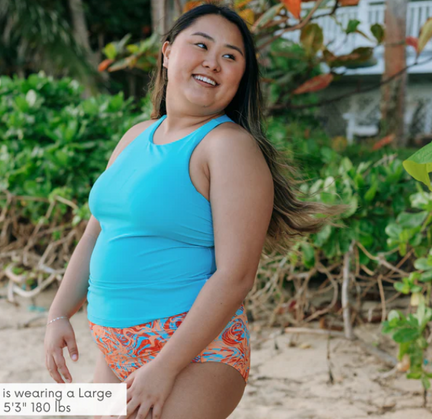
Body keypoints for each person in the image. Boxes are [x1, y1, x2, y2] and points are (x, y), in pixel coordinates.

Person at [44, 4, 346, 419]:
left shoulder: (228, 146)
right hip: (115, 352)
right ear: (167, 53)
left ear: (241, 77)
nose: (213, 62)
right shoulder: (135, 136)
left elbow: (235, 276)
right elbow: (96, 232)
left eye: (230, 56)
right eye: (200, 45)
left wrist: (165, 367)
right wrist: (58, 313)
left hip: (196, 353)